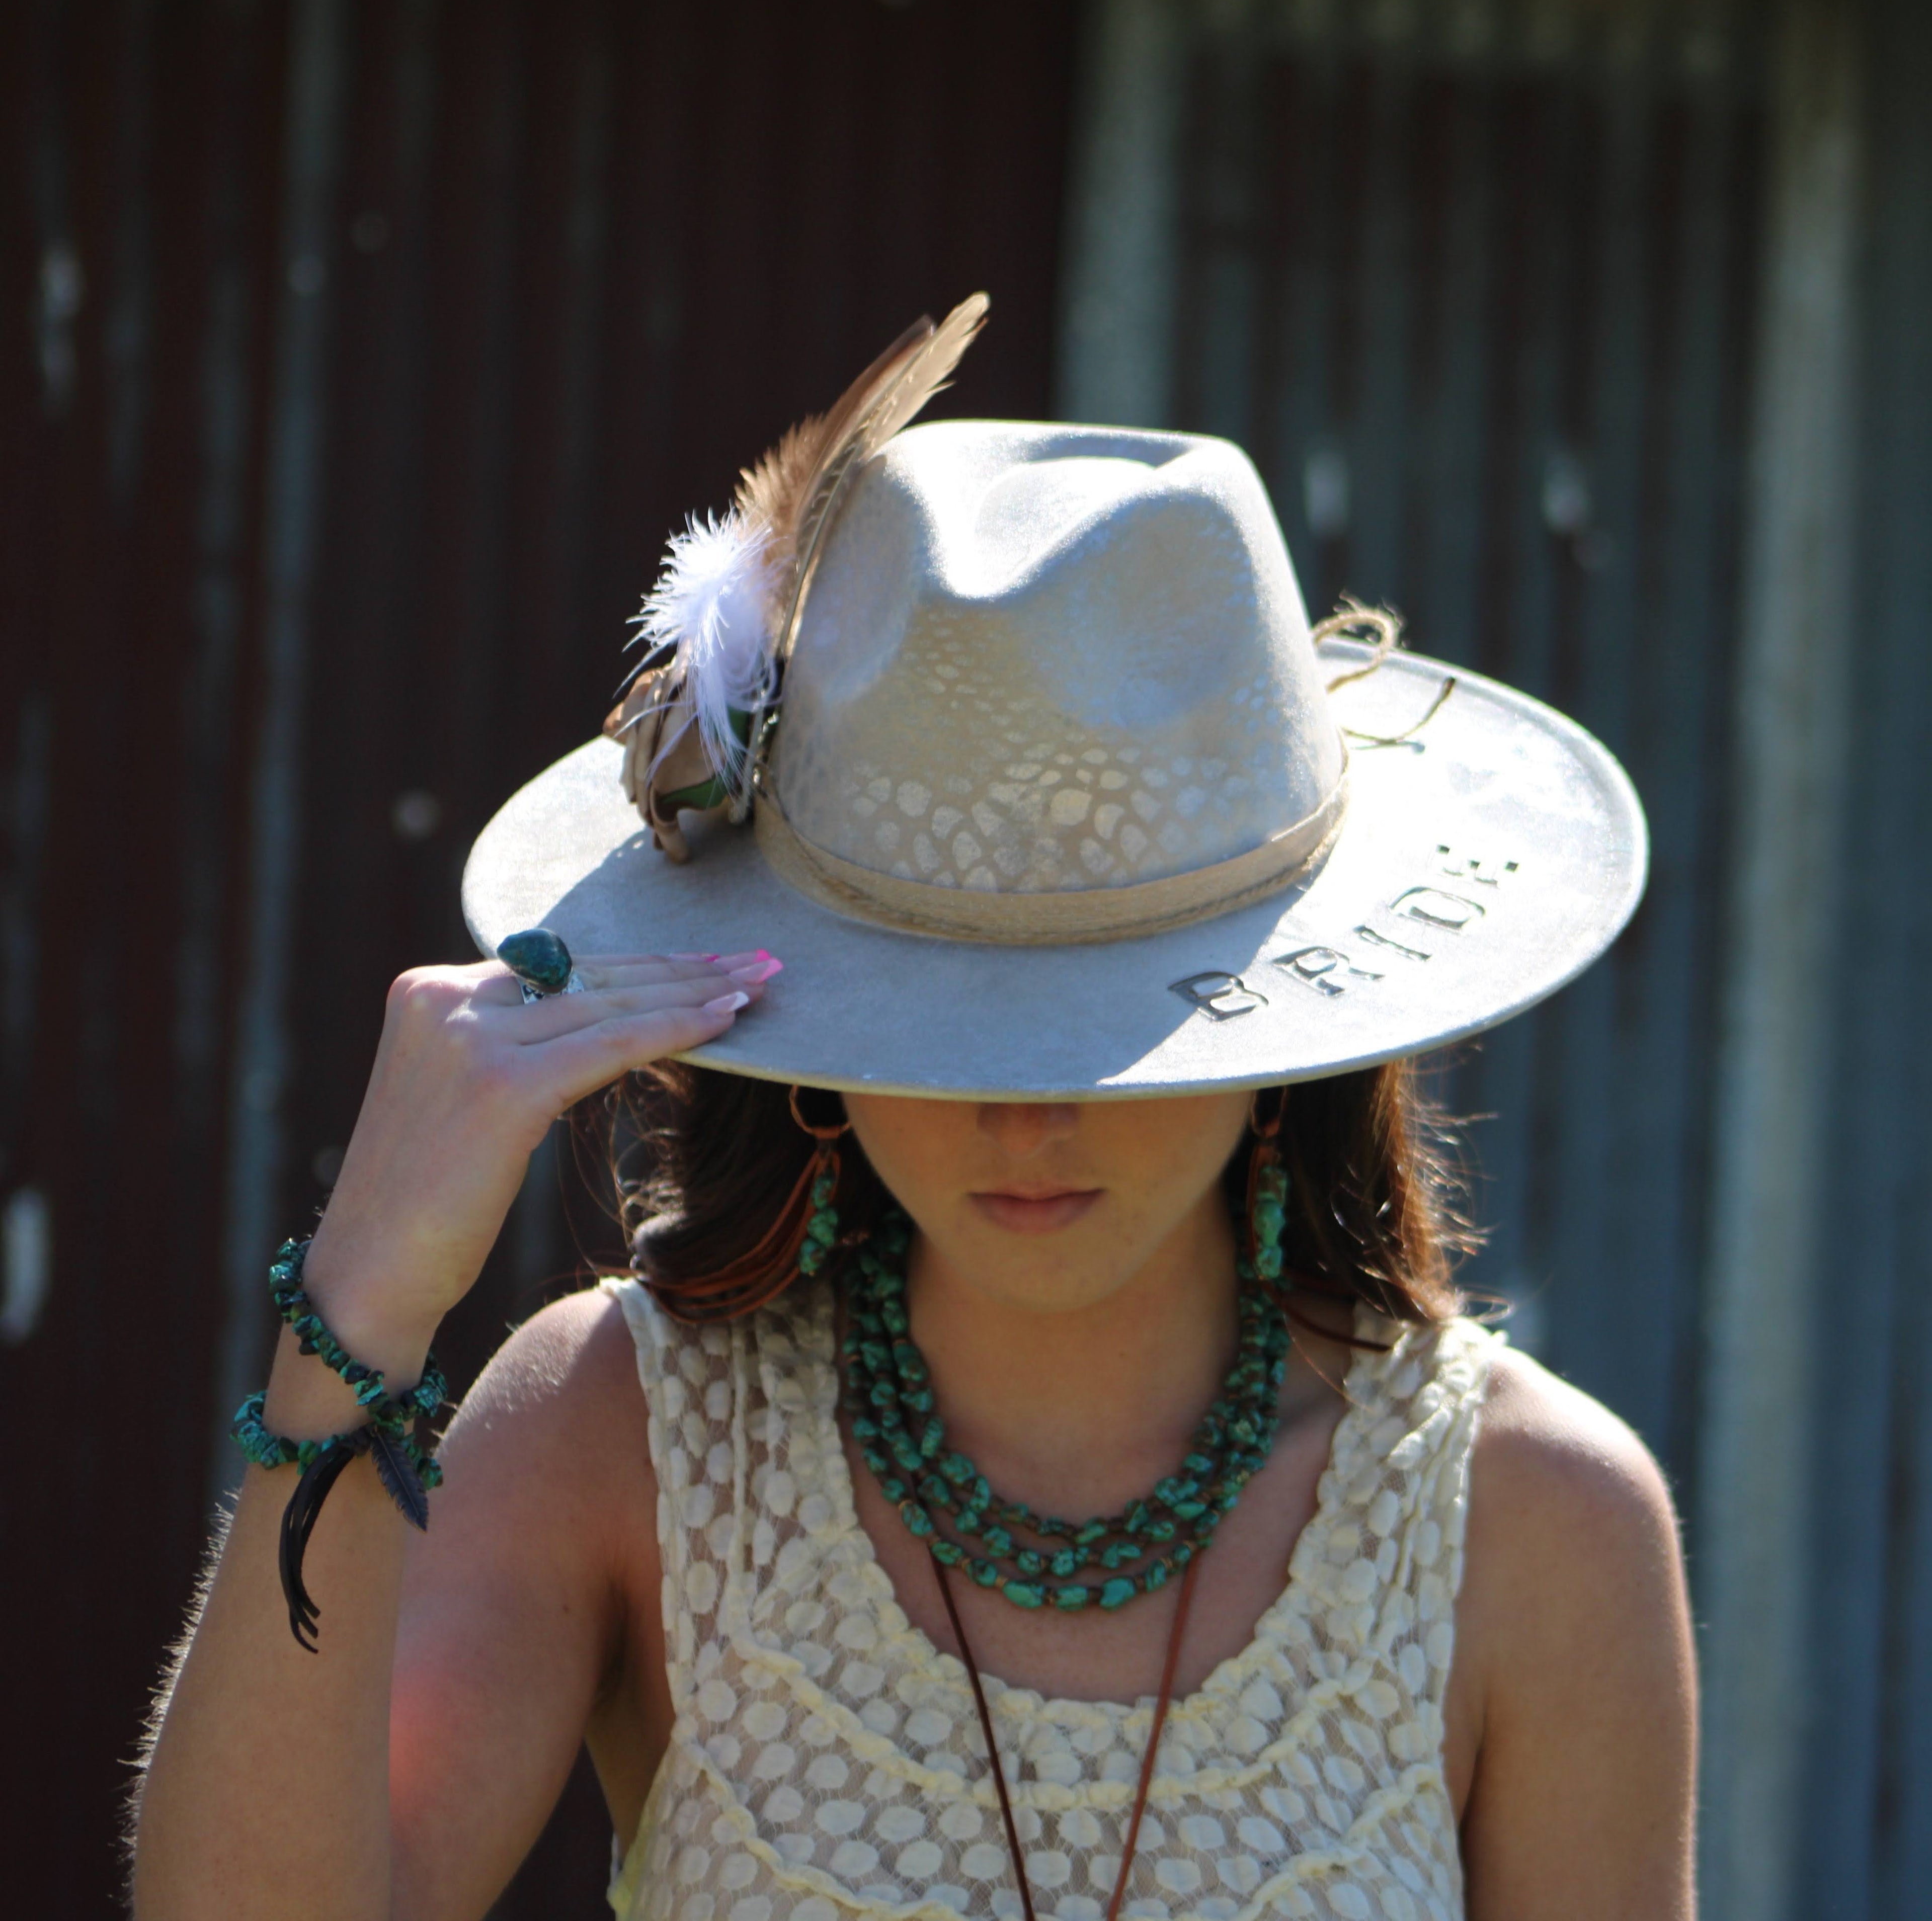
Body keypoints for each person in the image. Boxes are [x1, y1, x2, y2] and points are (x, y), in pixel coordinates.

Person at [131, 301, 1695, 1921]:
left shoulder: (1536, 1524)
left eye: (1108, 1025)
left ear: (1291, 1015)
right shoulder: (626, 1431)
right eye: (949, 1024)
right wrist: (363, 1306)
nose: (1027, 1121)